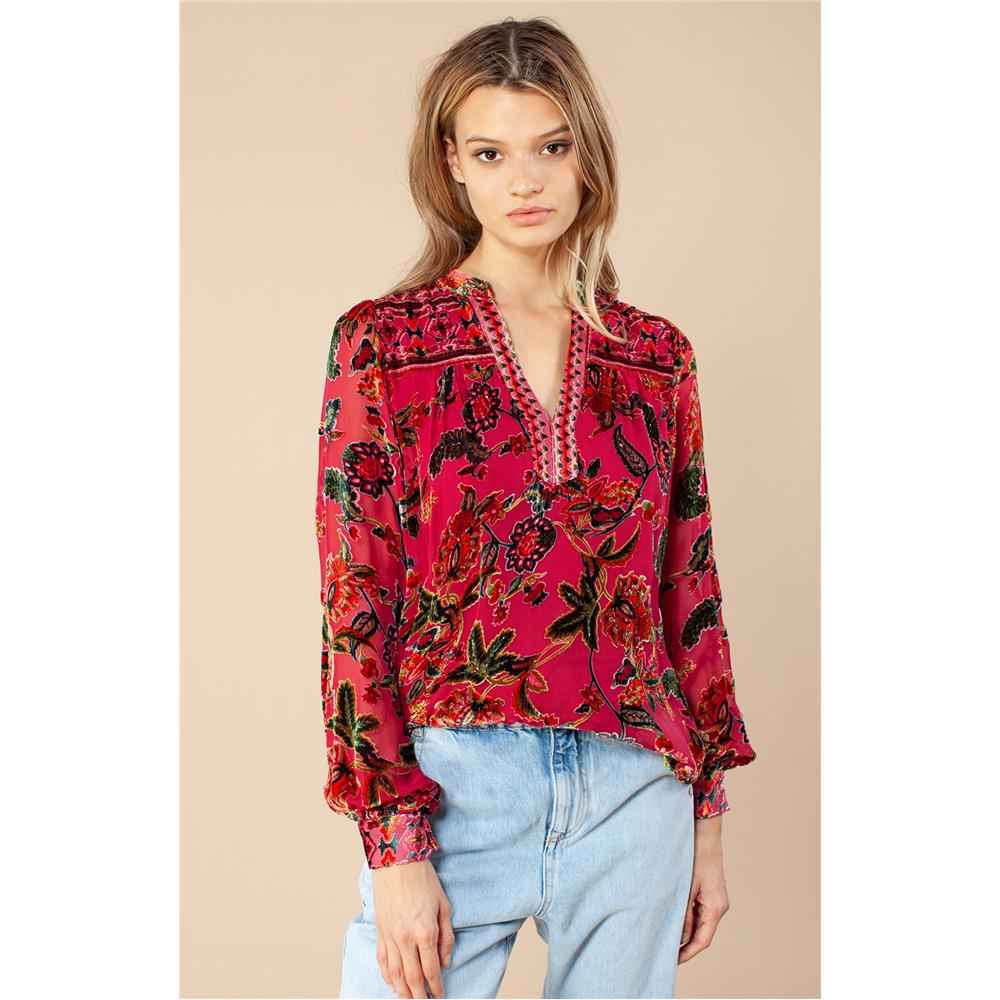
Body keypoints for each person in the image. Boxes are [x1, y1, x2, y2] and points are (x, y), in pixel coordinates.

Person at [314, 16, 757, 1000]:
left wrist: (707, 823)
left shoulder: (655, 356)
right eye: (492, 153)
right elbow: (356, 598)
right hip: (458, 786)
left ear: (587, 155)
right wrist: (394, 845)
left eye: (551, 147)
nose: (526, 180)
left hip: (636, 788)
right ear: (452, 164)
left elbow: (688, 590)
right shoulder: (384, 344)